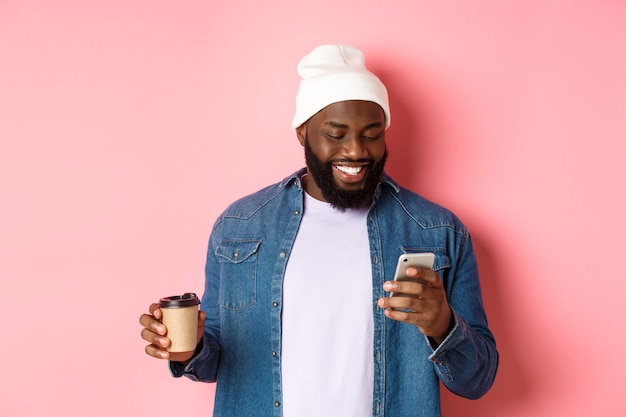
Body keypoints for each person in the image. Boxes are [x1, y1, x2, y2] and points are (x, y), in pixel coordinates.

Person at [140, 44, 498, 417]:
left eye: (372, 134)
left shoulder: (437, 231)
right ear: (302, 132)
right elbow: (216, 360)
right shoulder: (241, 226)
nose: (356, 150)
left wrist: (443, 325)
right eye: (336, 133)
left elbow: (478, 380)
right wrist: (189, 350)